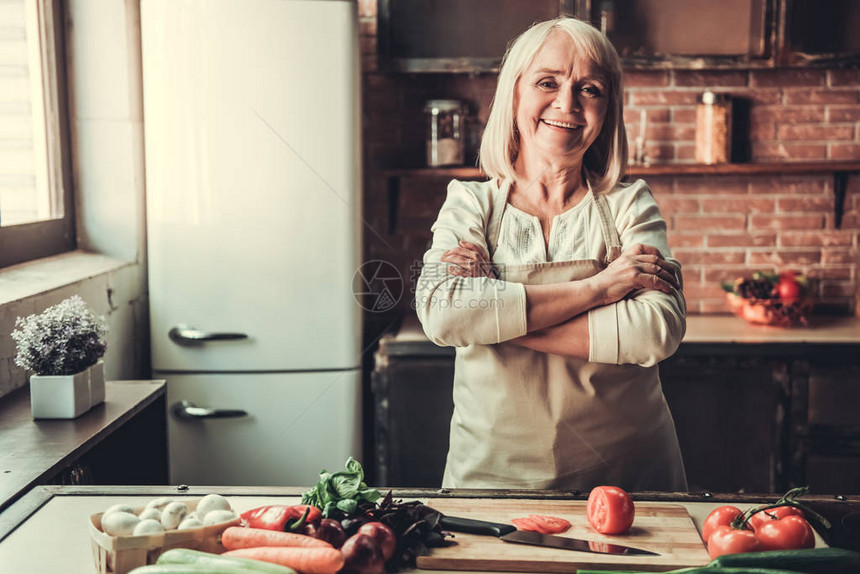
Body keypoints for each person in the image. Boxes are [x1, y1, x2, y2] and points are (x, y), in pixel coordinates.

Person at [414, 17, 687, 492]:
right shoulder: (470, 203)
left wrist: (494, 322)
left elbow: (655, 331)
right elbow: (443, 313)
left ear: (607, 109)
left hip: (628, 482)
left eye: (590, 89)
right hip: (492, 477)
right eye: (548, 82)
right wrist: (600, 288)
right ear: (514, 93)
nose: (568, 104)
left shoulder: (629, 204)